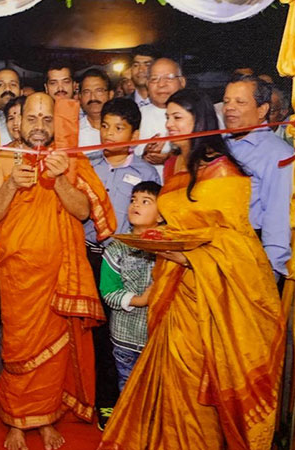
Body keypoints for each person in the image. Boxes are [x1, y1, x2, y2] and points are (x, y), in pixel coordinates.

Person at [101, 87, 286, 449]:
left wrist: (185, 256)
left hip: (210, 294)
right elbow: (178, 225)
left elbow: (235, 239)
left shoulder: (222, 169)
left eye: (177, 117)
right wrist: (162, 241)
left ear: (198, 120)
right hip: (173, 290)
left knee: (195, 376)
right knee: (172, 376)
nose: (169, 124)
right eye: (167, 117)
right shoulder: (174, 164)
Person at [0, 93, 114, 450]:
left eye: (46, 119)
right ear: (17, 122)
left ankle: (47, 418)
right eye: (32, 118)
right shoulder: (4, 158)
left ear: (56, 122)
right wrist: (12, 185)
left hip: (59, 278)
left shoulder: (68, 159)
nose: (39, 126)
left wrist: (60, 180)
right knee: (18, 349)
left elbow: (83, 212)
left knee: (55, 354)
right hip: (18, 277)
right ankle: (15, 420)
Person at [84, 97, 160, 430]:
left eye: (119, 128)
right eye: (105, 126)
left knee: (123, 335)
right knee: (96, 335)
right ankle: (102, 400)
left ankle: (129, 402)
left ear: (135, 134)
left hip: (127, 260)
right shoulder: (88, 164)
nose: (110, 134)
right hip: (89, 256)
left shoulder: (145, 172)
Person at [224, 74, 293, 284]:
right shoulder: (219, 146)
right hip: (216, 250)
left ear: (262, 110)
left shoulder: (279, 154)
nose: (230, 108)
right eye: (226, 101)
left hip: (252, 253)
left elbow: (278, 216)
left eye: (240, 102)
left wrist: (270, 271)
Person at [99, 181, 162, 392]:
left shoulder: (170, 247)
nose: (136, 204)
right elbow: (109, 291)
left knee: (156, 392)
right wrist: (140, 300)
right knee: (128, 389)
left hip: (158, 338)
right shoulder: (116, 248)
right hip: (126, 339)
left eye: (146, 201)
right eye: (133, 200)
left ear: (161, 215)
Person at [135, 58, 186, 174]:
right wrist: (144, 156)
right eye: (154, 79)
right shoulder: (136, 116)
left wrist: (172, 159)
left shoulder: (197, 114)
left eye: (169, 78)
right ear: (147, 84)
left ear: (182, 82)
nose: (161, 84)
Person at [78, 68, 114, 150]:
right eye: (86, 92)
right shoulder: (73, 132)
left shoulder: (122, 128)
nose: (93, 97)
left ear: (110, 94)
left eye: (99, 91)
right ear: (80, 97)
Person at [0, 68, 21, 144]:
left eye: (13, 84)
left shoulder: (31, 121)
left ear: (21, 92)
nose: (7, 89)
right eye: (0, 85)